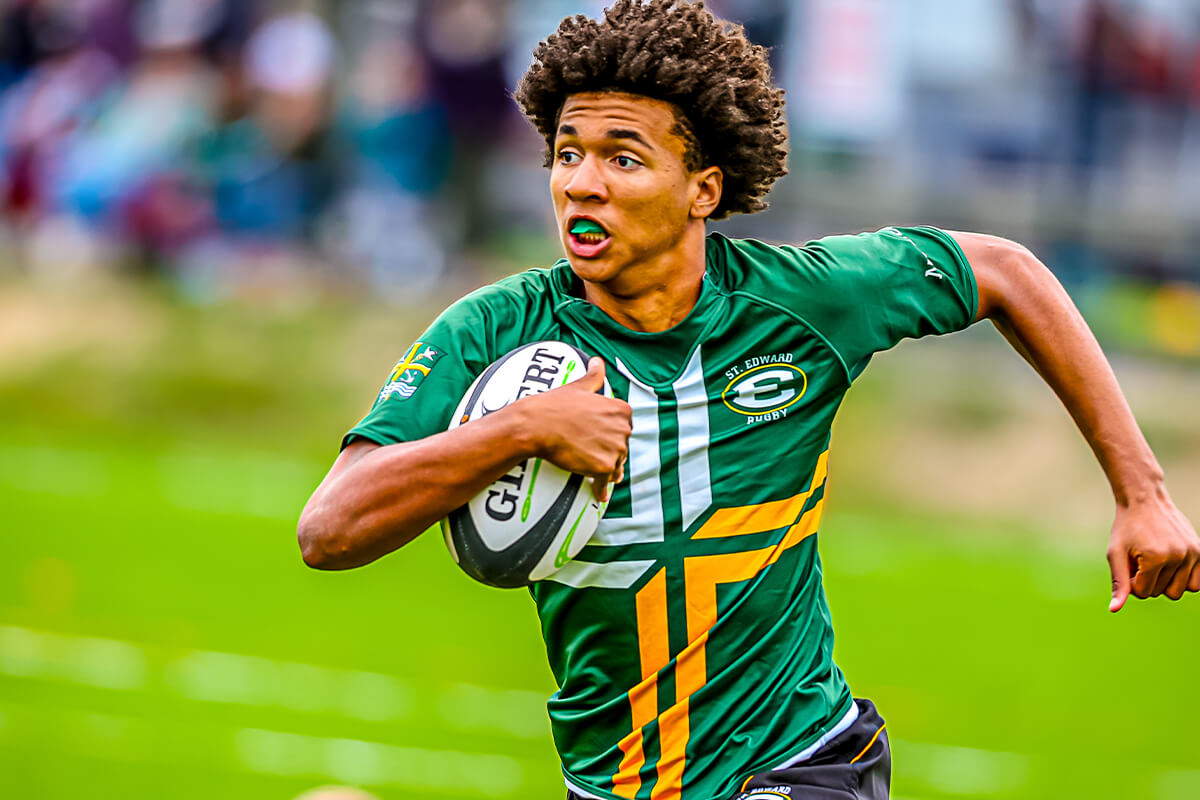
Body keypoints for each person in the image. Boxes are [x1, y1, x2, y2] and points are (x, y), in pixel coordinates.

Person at [297, 2, 1200, 799]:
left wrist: (1142, 491)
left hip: (805, 763)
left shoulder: (801, 304)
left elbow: (1005, 271)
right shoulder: (494, 329)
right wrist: (517, 431)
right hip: (612, 782)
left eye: (622, 157)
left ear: (704, 188)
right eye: (567, 152)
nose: (582, 181)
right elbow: (329, 530)